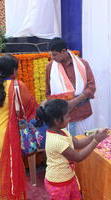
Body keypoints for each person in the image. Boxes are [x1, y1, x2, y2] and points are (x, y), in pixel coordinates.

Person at [36, 99, 108, 200]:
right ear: (57, 121)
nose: (70, 118)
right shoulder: (56, 140)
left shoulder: (62, 131)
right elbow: (78, 157)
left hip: (69, 178)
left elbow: (78, 143)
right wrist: (96, 141)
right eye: (67, 116)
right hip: (58, 184)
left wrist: (95, 135)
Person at [0, 55, 38, 199]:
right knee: (10, 174)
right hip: (8, 137)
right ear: (14, 70)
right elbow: (29, 109)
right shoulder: (16, 86)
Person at [46, 37, 96, 136]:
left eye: (55, 54)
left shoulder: (82, 64)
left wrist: (74, 102)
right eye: (51, 54)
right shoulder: (50, 67)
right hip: (62, 118)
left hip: (83, 113)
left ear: (64, 51)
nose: (52, 57)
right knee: (67, 148)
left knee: (86, 144)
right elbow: (48, 92)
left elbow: (91, 87)